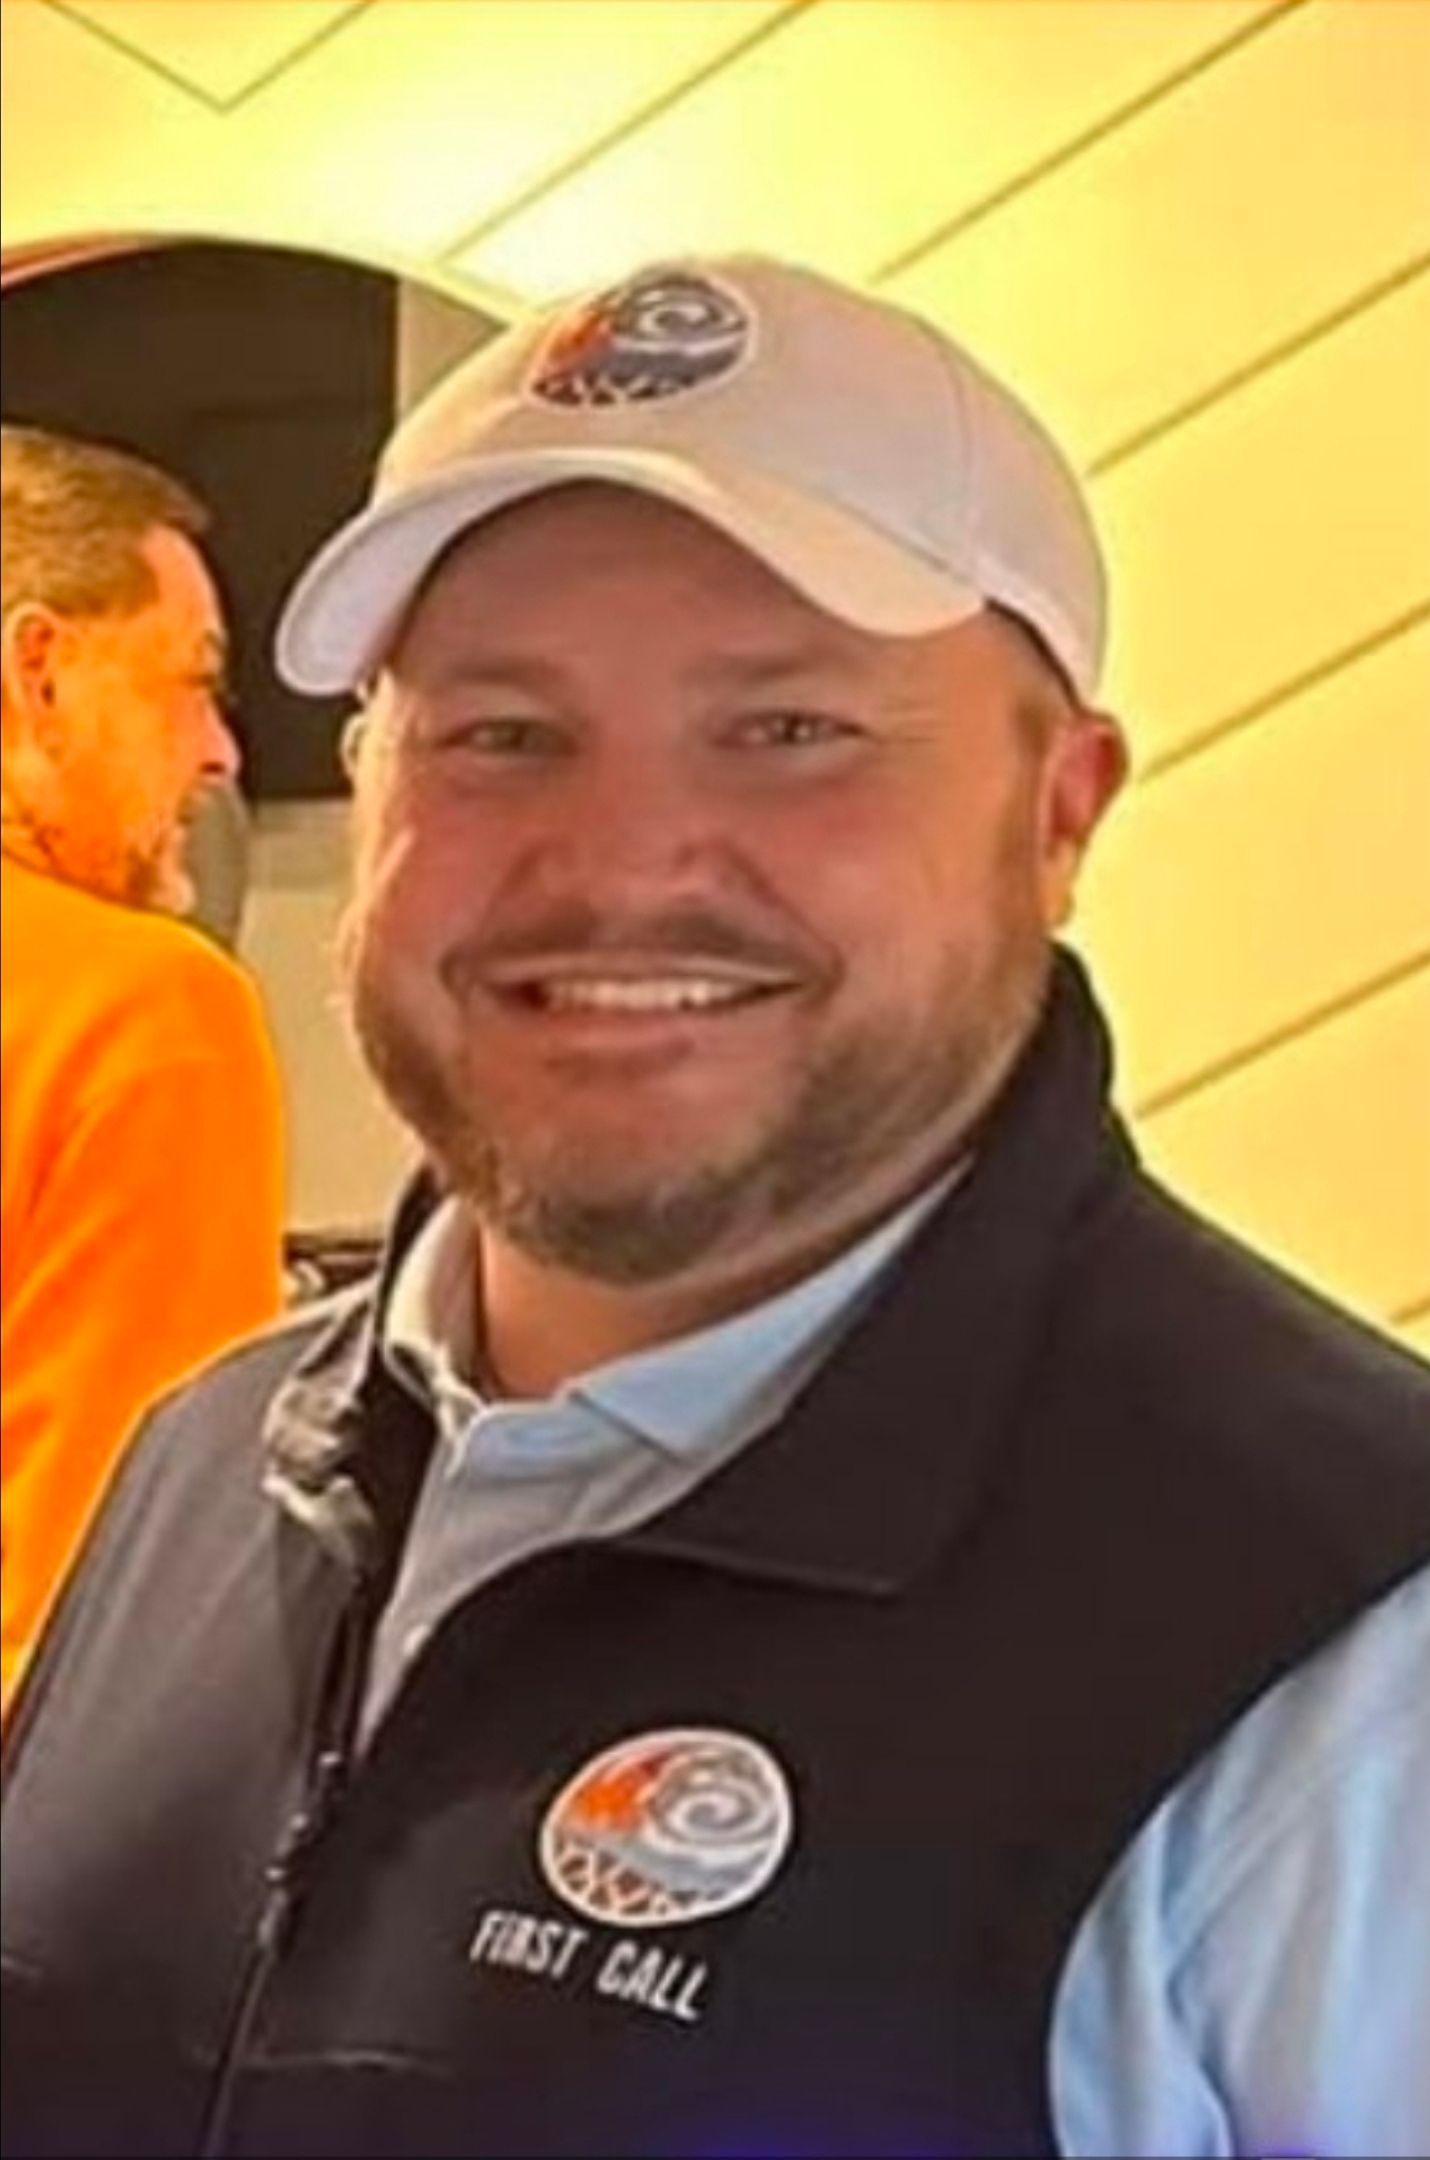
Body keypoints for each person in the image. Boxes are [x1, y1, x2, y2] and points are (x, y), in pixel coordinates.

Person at [1, 261, 1426, 2159]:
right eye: (500, 733)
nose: (617, 862)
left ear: (1059, 811)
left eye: (787, 731)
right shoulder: (201, 1471)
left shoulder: (1345, 1651)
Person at [0, 425, 287, 1708]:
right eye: (192, 684)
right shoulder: (141, 1015)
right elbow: (98, 1628)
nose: (219, 753)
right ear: (37, 672)